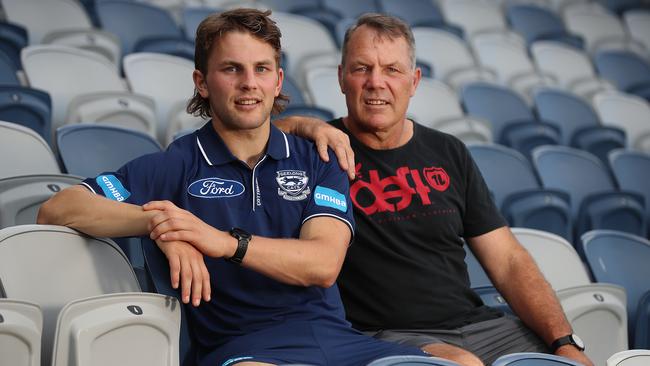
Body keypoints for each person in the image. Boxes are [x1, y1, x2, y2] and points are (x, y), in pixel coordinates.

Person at [37, 9, 431, 366]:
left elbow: (323, 264)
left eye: (261, 69)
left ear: (278, 81)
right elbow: (57, 209)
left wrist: (221, 241)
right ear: (202, 82)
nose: (249, 84)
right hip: (246, 351)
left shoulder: (319, 158)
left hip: (342, 344)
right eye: (232, 69)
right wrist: (162, 221)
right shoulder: (178, 164)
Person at [275, 13, 593, 366]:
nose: (376, 82)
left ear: (414, 81)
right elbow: (247, 142)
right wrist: (301, 123)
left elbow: (508, 261)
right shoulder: (320, 151)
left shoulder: (449, 151)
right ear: (341, 78)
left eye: (392, 70)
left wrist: (564, 340)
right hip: (386, 335)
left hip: (480, 326)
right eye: (362, 68)